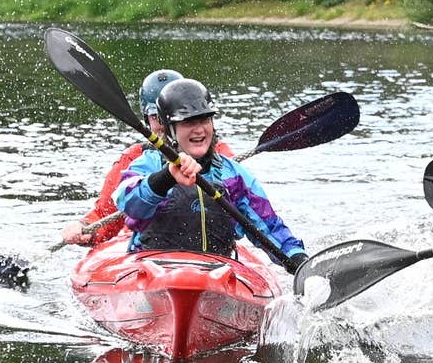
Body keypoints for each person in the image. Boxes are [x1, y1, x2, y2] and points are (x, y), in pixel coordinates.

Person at [114, 78, 308, 271]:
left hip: (216, 272)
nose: (199, 129)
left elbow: (269, 226)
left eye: (205, 119)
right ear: (169, 129)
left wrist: (297, 259)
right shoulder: (148, 164)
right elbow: (126, 201)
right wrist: (167, 177)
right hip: (153, 268)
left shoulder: (233, 175)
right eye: (188, 121)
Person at [58, 69, 233, 247]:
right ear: (146, 120)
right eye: (156, 117)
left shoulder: (220, 156)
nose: (164, 125)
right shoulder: (134, 158)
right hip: (151, 247)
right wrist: (86, 228)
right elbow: (107, 213)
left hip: (211, 246)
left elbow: (245, 203)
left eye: (183, 118)